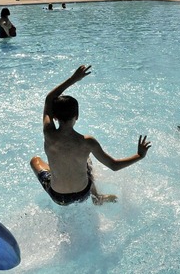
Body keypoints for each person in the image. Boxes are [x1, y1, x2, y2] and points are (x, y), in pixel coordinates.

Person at [30, 65, 151, 206]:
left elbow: (50, 98)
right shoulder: (88, 142)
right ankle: (96, 197)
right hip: (83, 193)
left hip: (57, 197)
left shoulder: (48, 132)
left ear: (55, 117)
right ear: (77, 115)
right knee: (87, 160)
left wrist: (73, 79)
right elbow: (114, 165)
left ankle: (56, 171)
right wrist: (139, 155)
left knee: (35, 160)